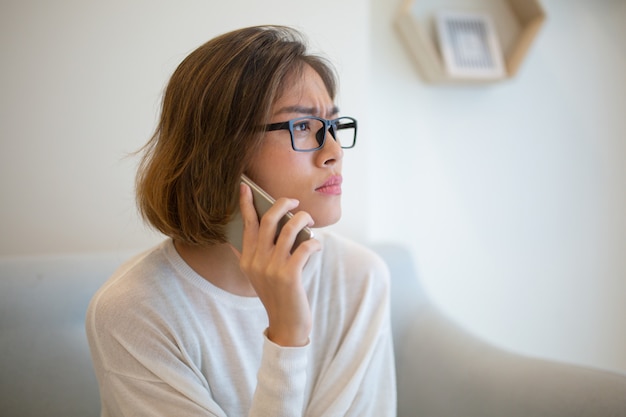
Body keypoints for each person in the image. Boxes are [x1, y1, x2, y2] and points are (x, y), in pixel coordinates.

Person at [86, 25, 396, 416]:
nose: (334, 152)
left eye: (333, 126)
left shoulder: (359, 277)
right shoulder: (134, 311)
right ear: (221, 152)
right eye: (302, 126)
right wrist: (287, 335)